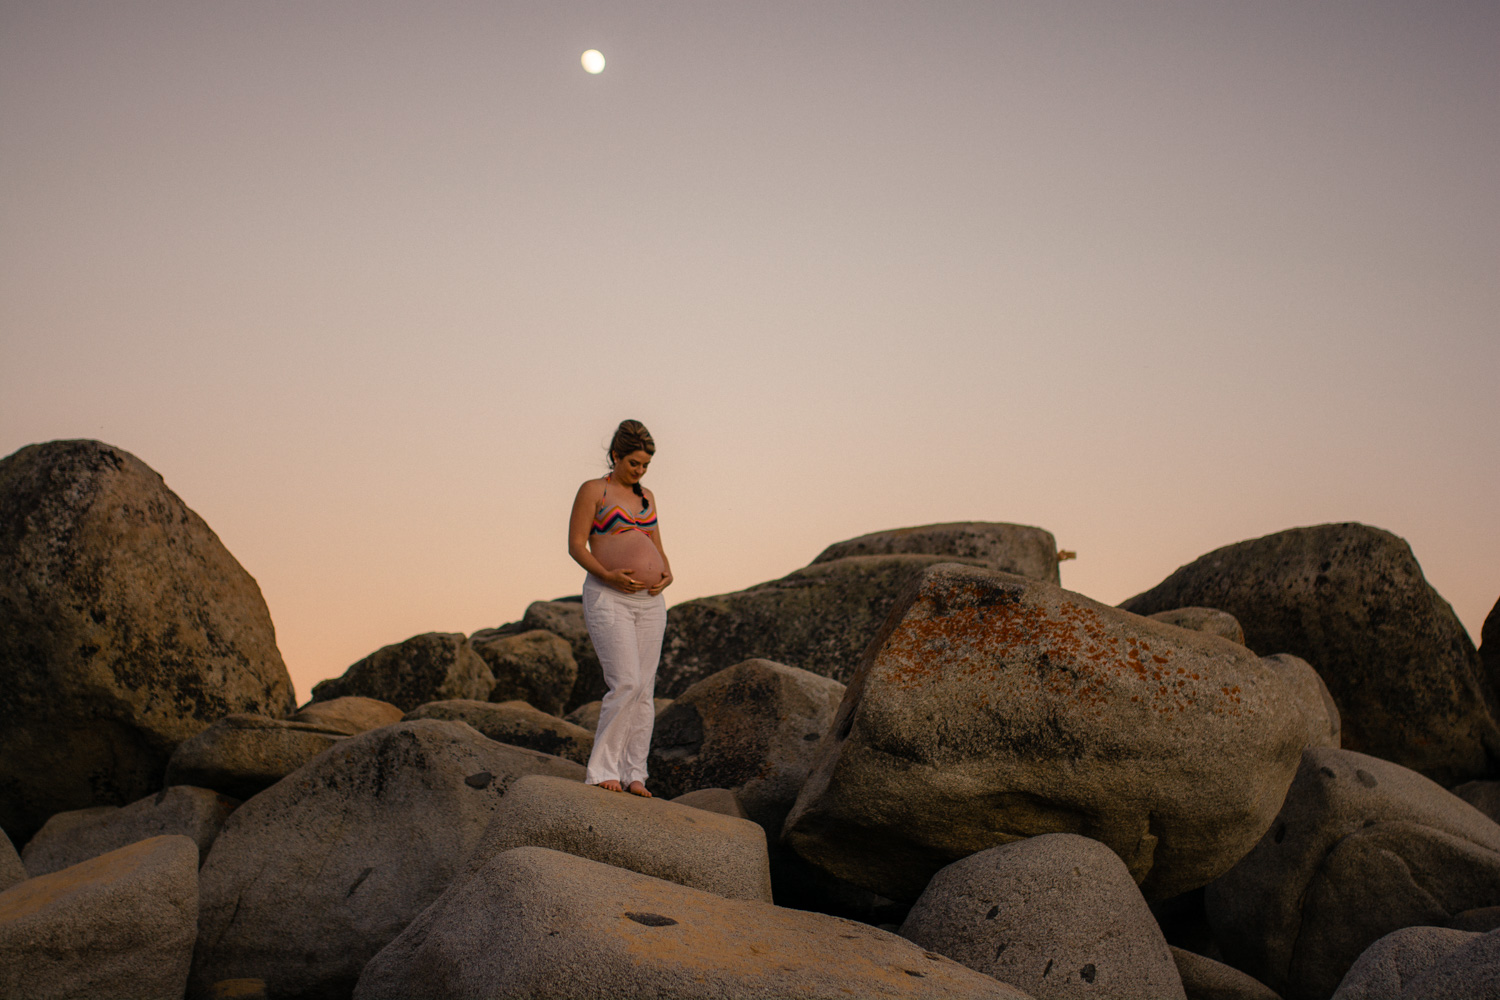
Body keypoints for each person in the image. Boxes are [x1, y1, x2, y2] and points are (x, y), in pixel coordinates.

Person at [567, 419, 673, 796]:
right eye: (634, 464)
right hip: (608, 596)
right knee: (625, 682)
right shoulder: (594, 490)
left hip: (650, 602)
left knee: (644, 690)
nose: (640, 471)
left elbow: (655, 543)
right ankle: (602, 770)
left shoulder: (648, 496)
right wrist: (608, 575)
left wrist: (667, 573)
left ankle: (635, 773)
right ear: (616, 455)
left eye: (645, 465)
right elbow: (576, 545)